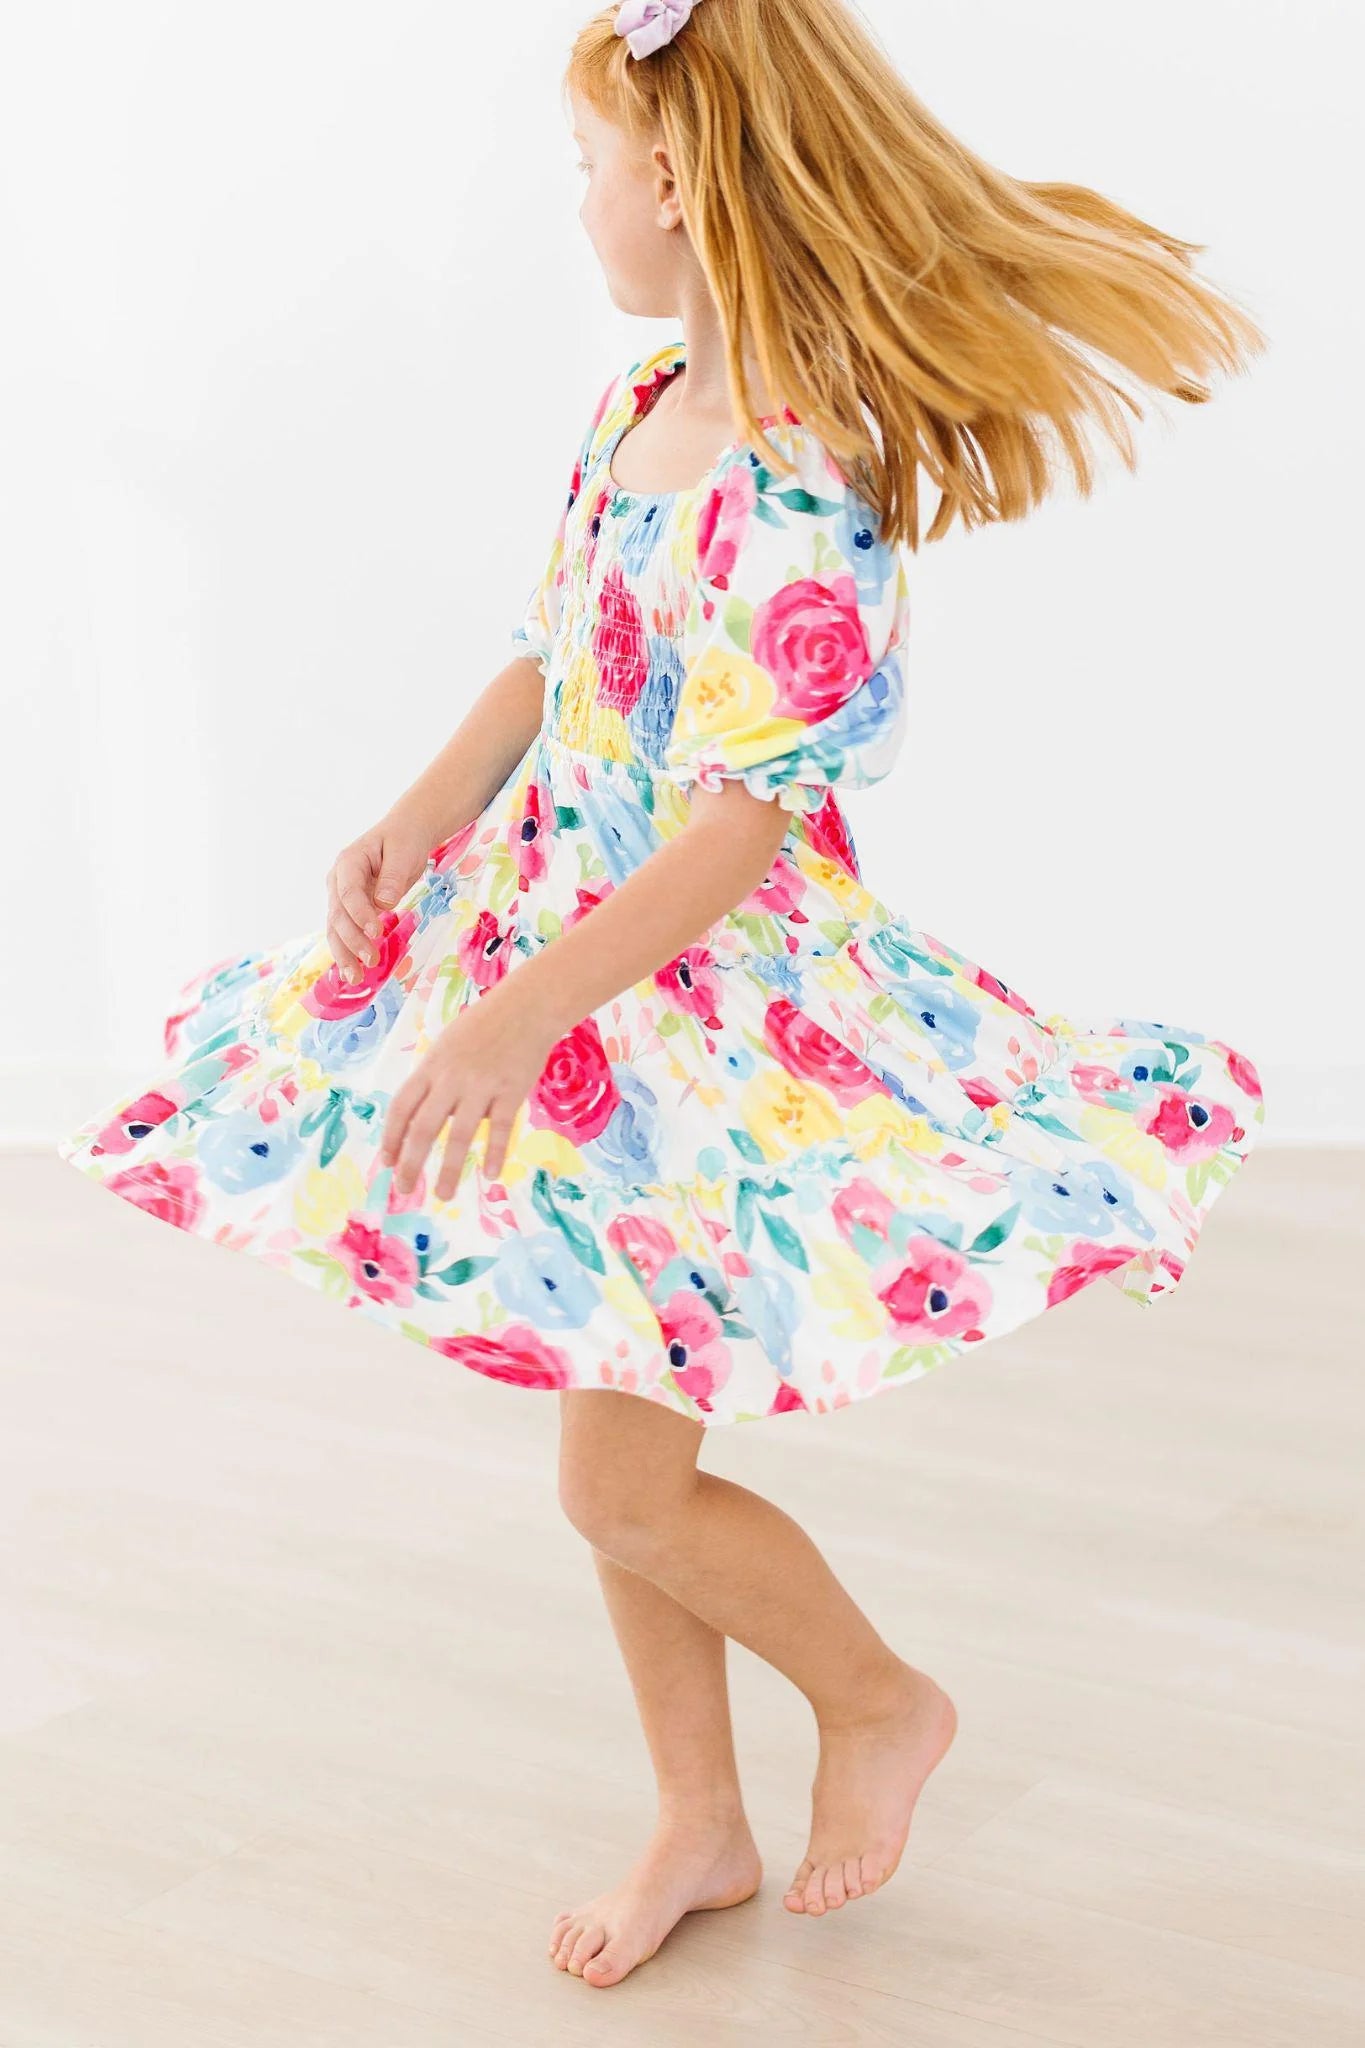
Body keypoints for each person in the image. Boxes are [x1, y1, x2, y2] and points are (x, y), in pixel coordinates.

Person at [57, 0, 1268, 1994]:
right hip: (563, 955)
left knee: (613, 1472)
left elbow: (736, 828)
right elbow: (550, 653)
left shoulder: (806, 466)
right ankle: (696, 1815)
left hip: (683, 1000)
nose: (580, 206)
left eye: (587, 169)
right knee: (602, 1417)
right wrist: (415, 812)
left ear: (681, 185)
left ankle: (874, 1700)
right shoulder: (641, 410)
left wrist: (521, 1008)